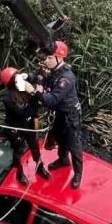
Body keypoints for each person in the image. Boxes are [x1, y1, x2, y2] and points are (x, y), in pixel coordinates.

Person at [25, 41, 84, 189]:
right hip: (59, 113)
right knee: (58, 136)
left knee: (73, 145)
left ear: (59, 58)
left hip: (70, 115)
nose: (46, 60)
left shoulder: (66, 79)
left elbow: (51, 100)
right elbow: (42, 78)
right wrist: (29, 76)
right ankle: (63, 160)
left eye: (50, 58)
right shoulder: (54, 71)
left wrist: (33, 91)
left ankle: (78, 174)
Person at [0, 67, 51, 185]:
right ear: (11, 83)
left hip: (28, 124)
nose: (18, 79)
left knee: (35, 147)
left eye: (18, 76)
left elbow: (35, 76)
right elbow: (23, 113)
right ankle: (19, 173)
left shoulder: (23, 85)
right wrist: (35, 98)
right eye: (15, 78)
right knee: (19, 150)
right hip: (16, 127)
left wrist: (26, 76)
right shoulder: (8, 98)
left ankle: (39, 167)